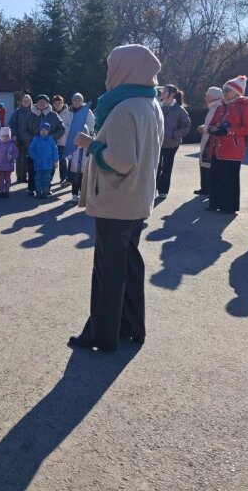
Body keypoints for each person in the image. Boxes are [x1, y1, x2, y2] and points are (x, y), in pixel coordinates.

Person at [70, 44, 164, 352]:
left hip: (117, 199)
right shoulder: (149, 103)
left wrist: (91, 144)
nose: (109, 74)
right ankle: (132, 327)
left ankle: (102, 335)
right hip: (136, 198)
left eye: (112, 67)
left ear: (126, 68)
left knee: (108, 272)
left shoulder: (126, 108)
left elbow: (121, 160)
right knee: (128, 264)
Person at [206, 76, 248, 214]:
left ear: (237, 92)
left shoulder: (244, 106)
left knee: (230, 180)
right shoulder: (220, 106)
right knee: (215, 177)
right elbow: (213, 123)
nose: (225, 92)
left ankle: (229, 206)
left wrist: (228, 131)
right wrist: (211, 128)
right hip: (217, 148)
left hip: (233, 150)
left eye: (228, 90)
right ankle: (214, 203)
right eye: (224, 90)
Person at [25, 94, 65, 196]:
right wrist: (31, 138)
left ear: (47, 103)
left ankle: (47, 188)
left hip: (48, 147)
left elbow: (61, 129)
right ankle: (32, 188)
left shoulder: (53, 115)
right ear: (36, 103)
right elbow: (23, 129)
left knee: (49, 169)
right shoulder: (30, 114)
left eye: (44, 102)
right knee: (32, 167)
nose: (42, 104)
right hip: (34, 146)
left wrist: (52, 137)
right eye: (40, 102)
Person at [156, 84, 191, 199]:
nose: (162, 93)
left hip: (171, 143)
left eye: (165, 91)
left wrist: (174, 135)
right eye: (162, 91)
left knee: (166, 166)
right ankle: (153, 188)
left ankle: (163, 190)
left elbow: (186, 126)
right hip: (156, 142)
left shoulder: (179, 109)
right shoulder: (156, 106)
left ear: (172, 94)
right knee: (155, 166)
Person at [195, 87, 224, 195]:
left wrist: (204, 128)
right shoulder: (214, 107)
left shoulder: (218, 107)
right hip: (208, 137)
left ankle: (207, 188)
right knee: (205, 163)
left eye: (207, 95)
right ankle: (205, 187)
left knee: (206, 163)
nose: (205, 97)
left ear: (212, 97)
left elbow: (216, 124)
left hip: (211, 139)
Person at [61, 93, 96, 178]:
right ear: (72, 101)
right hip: (70, 138)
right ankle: (70, 178)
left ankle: (82, 178)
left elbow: (91, 123)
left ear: (82, 101)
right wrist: (71, 131)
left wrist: (82, 130)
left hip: (83, 137)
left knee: (82, 158)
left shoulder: (87, 111)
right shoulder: (67, 111)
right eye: (75, 100)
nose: (77, 101)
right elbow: (63, 124)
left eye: (79, 100)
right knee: (71, 157)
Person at [28, 122, 59, 199]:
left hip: (48, 164)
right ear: (39, 130)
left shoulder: (51, 140)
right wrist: (35, 157)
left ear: (48, 131)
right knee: (38, 178)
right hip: (38, 163)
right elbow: (31, 149)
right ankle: (38, 192)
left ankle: (45, 191)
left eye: (46, 130)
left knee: (47, 178)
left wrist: (55, 161)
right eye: (42, 129)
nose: (44, 131)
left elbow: (55, 151)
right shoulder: (36, 139)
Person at [9, 94, 33, 184]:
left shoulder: (34, 111)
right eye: (24, 101)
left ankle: (25, 176)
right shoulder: (18, 112)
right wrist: (14, 134)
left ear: (30, 101)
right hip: (19, 139)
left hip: (30, 139)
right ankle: (19, 176)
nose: (26, 102)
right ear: (21, 102)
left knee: (28, 159)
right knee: (20, 159)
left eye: (28, 100)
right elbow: (12, 123)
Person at [0, 126, 19, 198]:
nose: (5, 137)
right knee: (1, 179)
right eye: (3, 136)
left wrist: (12, 156)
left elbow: (16, 154)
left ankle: (6, 191)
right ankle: (1, 191)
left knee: (7, 179)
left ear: (9, 136)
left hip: (8, 166)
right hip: (0, 166)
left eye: (7, 136)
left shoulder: (12, 145)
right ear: (0, 136)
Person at [68, 125, 91, 204]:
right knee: (75, 181)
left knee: (83, 181)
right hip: (75, 167)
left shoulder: (88, 147)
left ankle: (82, 194)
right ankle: (74, 194)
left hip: (84, 168)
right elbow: (69, 154)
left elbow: (90, 155)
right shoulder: (74, 146)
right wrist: (70, 157)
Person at [52, 95, 70, 184]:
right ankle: (49, 179)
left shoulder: (68, 113)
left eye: (60, 103)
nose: (58, 105)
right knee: (52, 160)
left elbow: (69, 126)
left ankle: (63, 177)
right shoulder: (51, 113)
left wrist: (62, 129)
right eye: (56, 103)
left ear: (63, 103)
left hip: (63, 141)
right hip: (53, 141)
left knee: (63, 160)